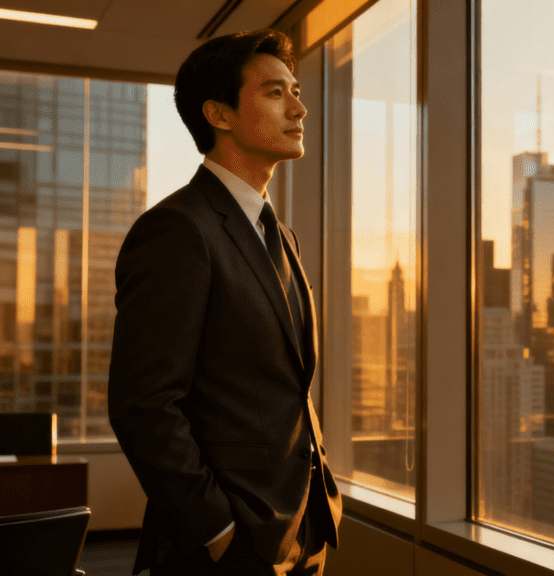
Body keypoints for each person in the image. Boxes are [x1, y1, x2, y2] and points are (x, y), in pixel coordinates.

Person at [108, 29, 342, 575]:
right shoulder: (177, 230)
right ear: (220, 114)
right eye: (275, 93)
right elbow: (144, 405)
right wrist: (219, 531)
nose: (300, 108)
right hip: (228, 547)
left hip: (303, 530)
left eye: (297, 90)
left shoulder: (280, 235)